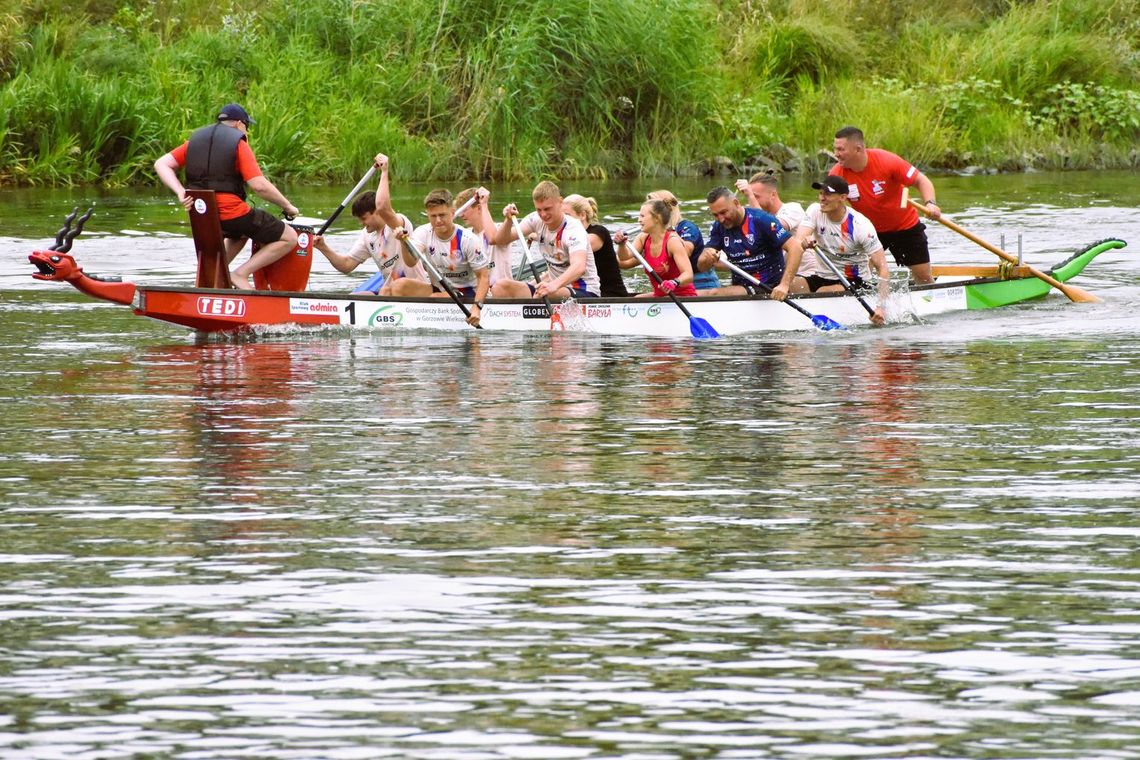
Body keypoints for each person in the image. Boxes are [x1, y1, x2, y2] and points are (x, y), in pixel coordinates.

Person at [154, 103, 300, 290]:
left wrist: (181, 192)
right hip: (231, 213)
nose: (247, 132)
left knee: (239, 233)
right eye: (247, 127)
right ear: (240, 124)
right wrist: (288, 207)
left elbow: (161, 164)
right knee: (288, 237)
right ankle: (240, 274)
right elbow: (259, 186)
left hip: (202, 215)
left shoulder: (194, 142)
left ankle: (212, 279)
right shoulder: (238, 143)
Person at [829, 125, 938, 284]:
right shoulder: (837, 174)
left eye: (840, 149)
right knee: (856, 279)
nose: (836, 154)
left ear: (858, 149)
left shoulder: (887, 161)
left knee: (923, 278)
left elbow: (921, 181)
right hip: (869, 231)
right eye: (835, 149)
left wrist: (931, 204)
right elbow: (830, 207)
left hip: (905, 227)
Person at [312, 153, 425, 294]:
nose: (361, 223)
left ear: (377, 212)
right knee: (361, 295)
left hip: (416, 290)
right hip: (390, 293)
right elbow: (347, 265)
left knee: (391, 289)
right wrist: (323, 247)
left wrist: (384, 171)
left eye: (363, 218)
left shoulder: (397, 224)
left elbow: (383, 206)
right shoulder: (367, 236)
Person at [796, 176, 892, 326]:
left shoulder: (860, 226)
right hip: (822, 275)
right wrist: (803, 241)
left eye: (827, 194)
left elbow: (883, 268)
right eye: (820, 193)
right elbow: (798, 242)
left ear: (842, 197)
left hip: (855, 280)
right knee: (793, 285)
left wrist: (880, 307)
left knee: (822, 292)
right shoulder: (815, 210)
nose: (822, 198)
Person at [391, 187, 491, 327]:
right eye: (433, 216)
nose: (438, 220)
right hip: (440, 288)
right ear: (428, 215)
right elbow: (411, 262)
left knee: (435, 297)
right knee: (398, 286)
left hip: (468, 291)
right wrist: (403, 242)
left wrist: (477, 307)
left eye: (442, 215)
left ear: (452, 212)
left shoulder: (468, 239)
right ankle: (399, 324)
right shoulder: (423, 233)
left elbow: (484, 277)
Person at [490, 180, 600, 301]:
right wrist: (508, 220)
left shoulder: (573, 229)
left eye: (547, 209)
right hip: (551, 290)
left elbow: (579, 267)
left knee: (546, 293)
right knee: (499, 287)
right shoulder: (535, 219)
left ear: (560, 202)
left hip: (585, 292)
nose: (543, 215)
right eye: (539, 209)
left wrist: (553, 285)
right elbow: (500, 240)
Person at [696, 186, 805, 299]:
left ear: (736, 203)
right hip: (742, 287)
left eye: (724, 212)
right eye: (715, 215)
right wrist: (706, 257)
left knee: (713, 293)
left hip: (768, 287)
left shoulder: (762, 220)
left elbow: (796, 248)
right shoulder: (718, 227)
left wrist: (784, 285)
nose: (721, 219)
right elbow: (701, 267)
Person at [735, 172, 815, 279]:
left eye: (756, 196)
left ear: (773, 194)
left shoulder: (793, 209)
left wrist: (750, 194)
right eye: (750, 196)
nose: (751, 201)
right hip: (779, 274)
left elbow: (771, 228)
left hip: (805, 273)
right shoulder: (755, 218)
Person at [613, 199, 697, 298]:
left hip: (682, 296)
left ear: (657, 218)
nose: (639, 220)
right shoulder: (642, 238)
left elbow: (688, 275)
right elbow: (624, 257)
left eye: (642, 216)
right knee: (636, 299)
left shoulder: (672, 241)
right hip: (661, 297)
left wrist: (674, 282)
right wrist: (622, 245)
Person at [645, 189, 720, 292]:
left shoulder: (687, 227)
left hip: (700, 282)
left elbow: (686, 252)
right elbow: (626, 262)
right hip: (674, 284)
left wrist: (669, 233)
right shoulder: (651, 234)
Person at [562, 194, 631, 297]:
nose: (563, 220)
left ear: (582, 215)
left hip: (610, 296)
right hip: (585, 293)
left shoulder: (598, 233)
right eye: (561, 216)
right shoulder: (568, 236)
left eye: (567, 215)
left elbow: (568, 248)